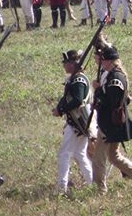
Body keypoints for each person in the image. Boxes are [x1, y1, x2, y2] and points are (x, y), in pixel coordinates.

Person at [91, 45, 132, 193]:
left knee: (98, 159)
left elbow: (113, 101)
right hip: (111, 123)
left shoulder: (115, 78)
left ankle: (99, 190)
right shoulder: (113, 75)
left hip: (110, 123)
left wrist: (99, 90)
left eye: (104, 61)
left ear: (110, 61)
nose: (102, 64)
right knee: (114, 157)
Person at [52, 50, 94, 194]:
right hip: (78, 122)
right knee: (79, 154)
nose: (64, 65)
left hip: (77, 122)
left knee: (64, 154)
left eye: (67, 63)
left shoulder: (78, 80)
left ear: (73, 63)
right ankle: (92, 182)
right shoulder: (74, 78)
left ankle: (61, 187)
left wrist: (61, 109)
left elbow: (77, 100)